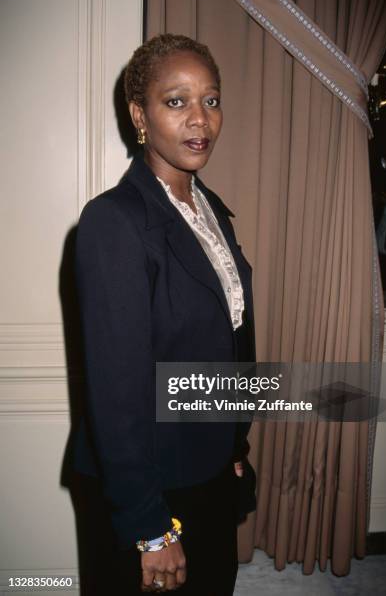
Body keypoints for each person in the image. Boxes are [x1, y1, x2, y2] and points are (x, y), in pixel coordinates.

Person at [73, 33, 256, 595]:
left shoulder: (212, 213)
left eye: (211, 99)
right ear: (139, 115)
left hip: (206, 466)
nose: (199, 119)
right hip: (148, 486)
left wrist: (232, 448)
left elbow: (227, 344)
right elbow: (116, 389)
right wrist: (149, 528)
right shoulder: (114, 222)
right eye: (176, 101)